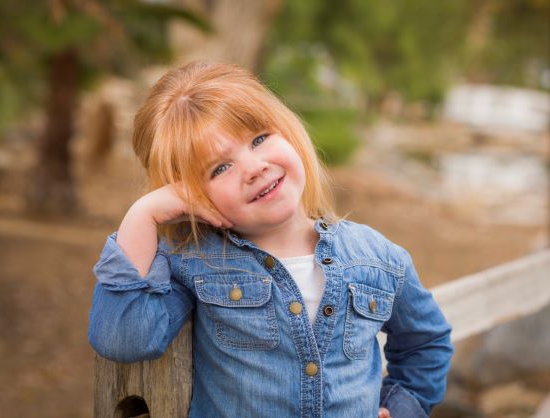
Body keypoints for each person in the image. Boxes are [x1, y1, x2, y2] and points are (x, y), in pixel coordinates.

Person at [88, 61, 453, 418]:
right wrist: (144, 213)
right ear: (189, 194)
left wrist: (402, 407)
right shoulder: (196, 262)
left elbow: (427, 343)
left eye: (259, 139)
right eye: (220, 168)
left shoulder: (377, 257)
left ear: (289, 133)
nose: (254, 167)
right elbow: (124, 338)